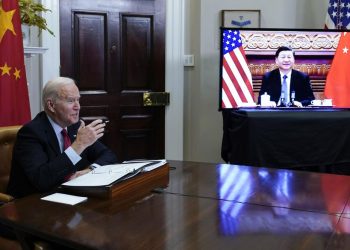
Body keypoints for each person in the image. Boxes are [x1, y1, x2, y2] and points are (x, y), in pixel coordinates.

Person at [7, 77, 118, 198]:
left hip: (70, 197)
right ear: (51, 105)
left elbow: (109, 155)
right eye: (71, 101)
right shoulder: (31, 133)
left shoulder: (74, 126)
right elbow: (42, 181)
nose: (78, 106)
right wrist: (78, 146)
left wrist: (90, 170)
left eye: (78, 100)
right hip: (33, 203)